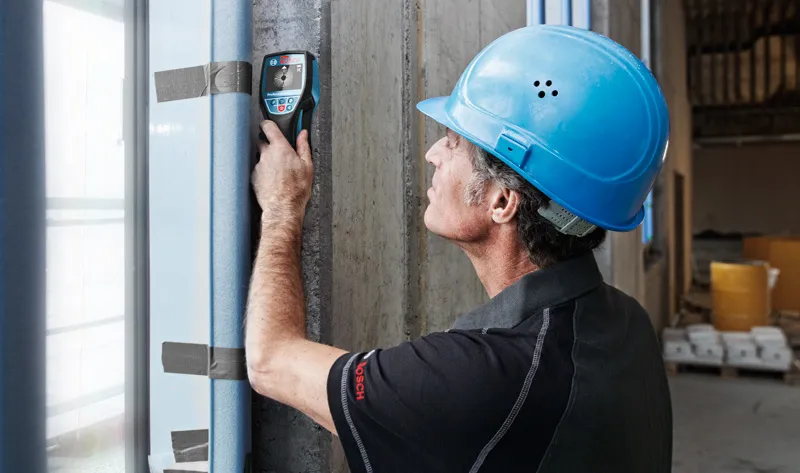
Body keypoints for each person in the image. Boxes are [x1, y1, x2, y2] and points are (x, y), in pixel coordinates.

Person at [246, 24, 672, 473]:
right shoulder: (628, 324)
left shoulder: (480, 376)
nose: (433, 154)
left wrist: (281, 208)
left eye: (454, 143)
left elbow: (270, 359)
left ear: (502, 202)